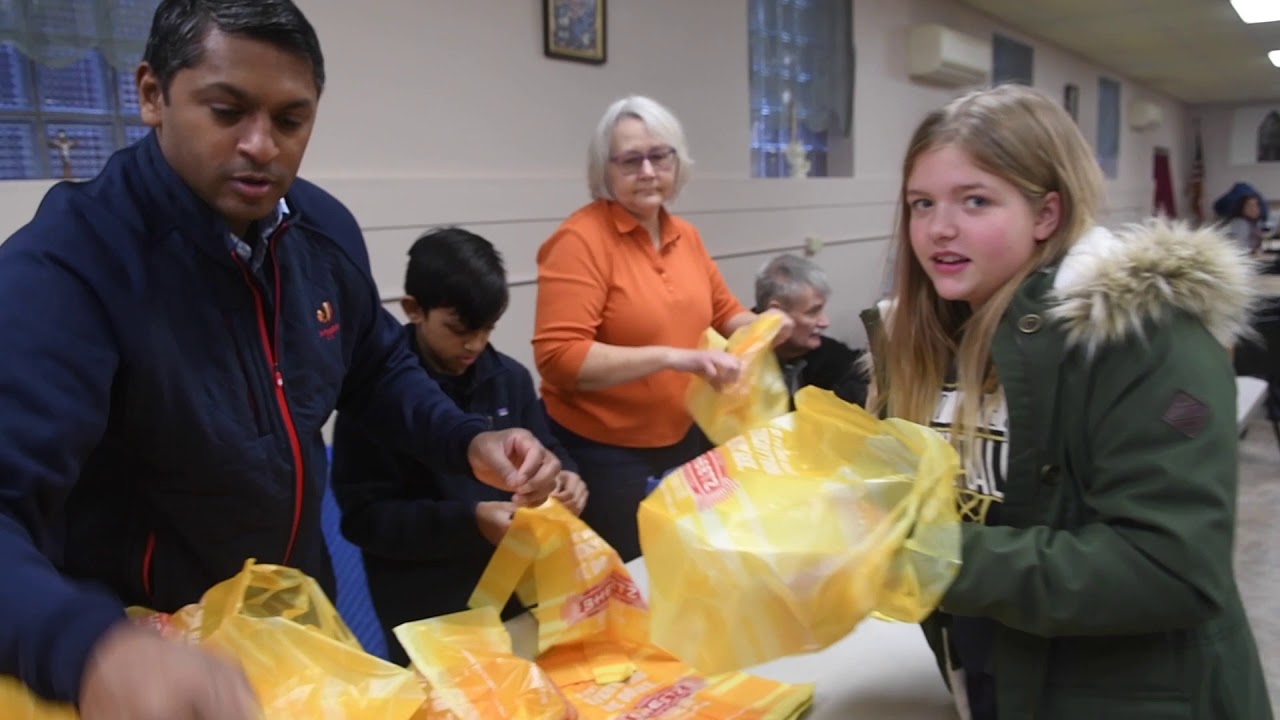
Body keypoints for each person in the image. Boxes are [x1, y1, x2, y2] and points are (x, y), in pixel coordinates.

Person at [0, 2, 560, 717]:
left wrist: (465, 439)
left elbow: (377, 367)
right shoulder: (66, 270)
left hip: (291, 612)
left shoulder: (321, 231)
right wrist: (92, 650)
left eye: (290, 121)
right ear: (151, 94)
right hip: (144, 653)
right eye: (227, 111)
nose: (261, 146)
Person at [864, 84, 1270, 719]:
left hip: (1127, 693)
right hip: (991, 669)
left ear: (1046, 215)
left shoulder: (1143, 337)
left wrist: (928, 556)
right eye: (922, 203)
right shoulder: (920, 340)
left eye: (975, 201)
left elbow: (1169, 567)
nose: (939, 229)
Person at [533, 95, 788, 562]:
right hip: (602, 455)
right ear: (604, 171)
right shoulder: (579, 241)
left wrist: (767, 325)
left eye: (659, 156)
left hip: (682, 438)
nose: (647, 171)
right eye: (630, 160)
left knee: (681, 564)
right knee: (634, 580)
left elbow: (725, 312)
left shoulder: (683, 235)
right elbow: (559, 358)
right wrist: (672, 357)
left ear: (677, 163)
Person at [331, 227, 588, 665]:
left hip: (513, 584)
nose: (475, 344)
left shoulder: (509, 378)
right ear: (413, 309)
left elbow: (546, 445)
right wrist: (469, 521)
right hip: (422, 597)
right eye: (459, 330)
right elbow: (366, 520)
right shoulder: (374, 402)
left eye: (488, 329)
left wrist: (564, 475)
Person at [753, 253, 867, 408]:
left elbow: (862, 369)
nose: (825, 322)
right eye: (812, 312)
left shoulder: (828, 355)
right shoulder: (735, 361)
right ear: (776, 314)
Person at [1222, 191, 1265, 255]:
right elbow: (1238, 249)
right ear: (1242, 208)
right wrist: (1254, 252)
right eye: (1249, 205)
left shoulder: (1256, 224)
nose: (1254, 208)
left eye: (1256, 205)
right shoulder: (1239, 223)